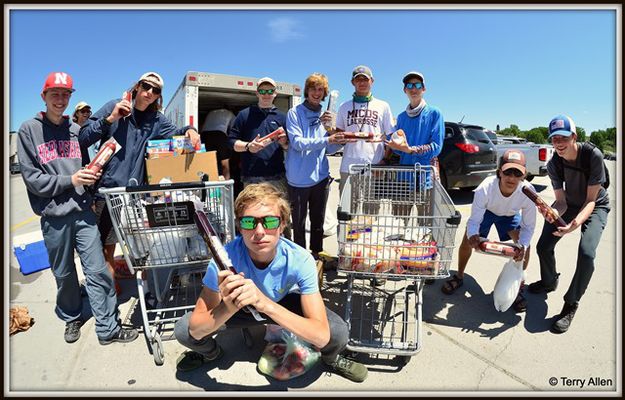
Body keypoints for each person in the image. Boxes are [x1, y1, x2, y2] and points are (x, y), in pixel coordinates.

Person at [173, 183, 368, 383]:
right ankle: (211, 353)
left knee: (337, 332)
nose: (259, 231)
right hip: (238, 307)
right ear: (239, 226)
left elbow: (321, 335)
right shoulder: (223, 260)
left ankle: (331, 358)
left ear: (282, 224)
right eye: (249, 222)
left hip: (283, 301)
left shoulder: (300, 259)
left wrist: (265, 304)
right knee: (183, 330)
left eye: (269, 222)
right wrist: (229, 307)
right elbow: (195, 329)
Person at [16, 72, 138, 345]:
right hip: (54, 216)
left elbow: (85, 165)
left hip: (83, 211)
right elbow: (32, 179)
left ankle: (108, 328)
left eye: (65, 94)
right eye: (55, 94)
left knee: (97, 270)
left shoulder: (74, 132)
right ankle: (72, 316)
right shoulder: (29, 130)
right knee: (64, 273)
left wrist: (89, 180)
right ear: (44, 96)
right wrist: (70, 180)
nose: (60, 100)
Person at [79, 71, 201, 295]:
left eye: (156, 90)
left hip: (135, 196)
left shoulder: (156, 119)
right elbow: (84, 136)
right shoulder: (115, 106)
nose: (150, 92)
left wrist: (190, 130)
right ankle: (108, 295)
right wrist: (111, 118)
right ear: (137, 87)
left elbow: (175, 133)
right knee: (106, 245)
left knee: (141, 245)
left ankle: (145, 289)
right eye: (146, 86)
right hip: (107, 193)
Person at [528, 115, 610, 333]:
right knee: (543, 246)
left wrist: (574, 224)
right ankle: (549, 281)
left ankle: (571, 303)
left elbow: (591, 201)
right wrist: (554, 211)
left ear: (574, 136)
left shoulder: (592, 155)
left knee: (587, 254)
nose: (558, 143)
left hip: (595, 205)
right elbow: (562, 201)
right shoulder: (554, 162)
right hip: (571, 204)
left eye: (563, 137)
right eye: (554, 139)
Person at [441, 150, 537, 313]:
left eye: (517, 173)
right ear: (500, 172)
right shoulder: (485, 188)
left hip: (510, 215)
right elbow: (475, 219)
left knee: (524, 248)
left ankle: (518, 287)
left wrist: (523, 246)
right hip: (487, 212)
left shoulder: (528, 192)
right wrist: (473, 235)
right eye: (508, 172)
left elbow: (529, 226)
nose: (511, 178)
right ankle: (459, 275)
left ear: (524, 175)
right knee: (466, 241)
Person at [285, 73, 346, 259]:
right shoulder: (294, 113)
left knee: (318, 221)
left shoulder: (326, 116)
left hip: (320, 177)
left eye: (321, 89)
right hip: (298, 179)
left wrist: (341, 139)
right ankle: (300, 257)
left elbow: (329, 147)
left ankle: (317, 254)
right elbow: (297, 143)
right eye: (313, 88)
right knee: (299, 223)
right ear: (307, 90)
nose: (317, 93)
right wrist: (327, 138)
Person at [227, 76, 291, 237]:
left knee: (280, 217)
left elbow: (289, 147)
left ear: (275, 93)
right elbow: (231, 142)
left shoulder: (282, 117)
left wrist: (284, 141)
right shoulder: (244, 115)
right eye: (263, 90)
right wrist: (249, 146)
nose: (266, 94)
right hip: (251, 178)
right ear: (257, 93)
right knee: (251, 217)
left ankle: (285, 250)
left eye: (270, 91)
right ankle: (251, 252)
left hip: (277, 177)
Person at [335, 65, 395, 195]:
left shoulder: (383, 106)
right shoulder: (343, 106)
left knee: (372, 211)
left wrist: (385, 161)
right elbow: (338, 137)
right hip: (348, 168)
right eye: (358, 79)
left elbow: (390, 137)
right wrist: (328, 128)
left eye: (365, 79)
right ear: (353, 82)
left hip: (375, 168)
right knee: (348, 212)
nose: (362, 83)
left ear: (372, 81)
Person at [384, 71, 444, 190]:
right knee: (400, 209)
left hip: (427, 179)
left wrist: (411, 150)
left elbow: (436, 147)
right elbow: (401, 150)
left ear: (424, 89)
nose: (413, 89)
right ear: (405, 90)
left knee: (427, 209)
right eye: (409, 86)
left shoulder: (434, 113)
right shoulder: (401, 117)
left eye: (417, 85)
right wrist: (394, 146)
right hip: (404, 178)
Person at [201, 108, 235, 180]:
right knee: (225, 163)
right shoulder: (231, 114)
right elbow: (234, 130)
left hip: (204, 135)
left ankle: (210, 182)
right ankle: (227, 184)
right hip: (219, 134)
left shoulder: (211, 112)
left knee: (209, 160)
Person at [71, 101, 94, 165]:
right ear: (77, 113)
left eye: (88, 111)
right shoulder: (71, 128)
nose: (86, 113)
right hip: (76, 164)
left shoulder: (93, 128)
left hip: (90, 163)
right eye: (83, 111)